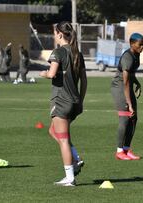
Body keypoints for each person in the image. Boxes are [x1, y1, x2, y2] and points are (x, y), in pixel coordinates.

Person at [39, 21, 87, 186]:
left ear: (60, 34)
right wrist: (81, 100)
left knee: (63, 139)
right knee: (53, 131)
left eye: (54, 33)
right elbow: (84, 80)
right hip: (74, 101)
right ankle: (76, 158)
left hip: (61, 101)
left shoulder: (58, 52)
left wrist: (43, 73)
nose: (54, 36)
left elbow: (52, 73)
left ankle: (70, 177)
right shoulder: (77, 53)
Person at [111, 33, 143, 160]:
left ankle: (126, 149)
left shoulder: (137, 54)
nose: (142, 47)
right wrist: (129, 103)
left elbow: (131, 74)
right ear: (131, 44)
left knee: (134, 118)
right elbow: (124, 81)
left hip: (127, 85)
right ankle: (119, 151)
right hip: (119, 87)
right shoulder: (127, 57)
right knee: (125, 117)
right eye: (139, 45)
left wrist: (137, 83)